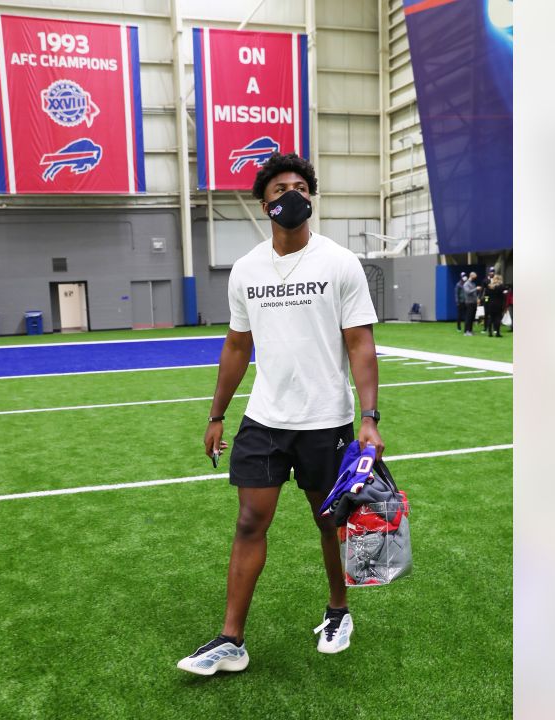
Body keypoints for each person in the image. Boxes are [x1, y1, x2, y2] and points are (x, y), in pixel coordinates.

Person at [177, 152, 384, 676]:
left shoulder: (339, 263)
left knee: (328, 520)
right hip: (265, 418)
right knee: (250, 520)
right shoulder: (247, 269)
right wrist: (216, 414)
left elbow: (360, 343)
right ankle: (231, 640)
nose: (290, 194)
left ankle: (338, 610)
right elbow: (236, 346)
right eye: (279, 188)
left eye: (299, 186)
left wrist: (370, 417)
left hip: (326, 419)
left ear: (310, 197)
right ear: (263, 203)